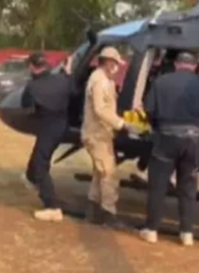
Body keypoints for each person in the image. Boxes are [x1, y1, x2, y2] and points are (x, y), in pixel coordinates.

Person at [139, 51, 199, 246]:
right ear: (194, 66)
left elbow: (149, 110)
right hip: (193, 142)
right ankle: (186, 233)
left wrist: (157, 128)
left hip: (166, 138)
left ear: (176, 64)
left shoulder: (161, 82)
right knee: (188, 187)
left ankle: (151, 230)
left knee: (158, 185)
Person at [82, 46, 138, 229]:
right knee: (108, 174)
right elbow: (100, 109)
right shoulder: (100, 81)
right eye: (116, 64)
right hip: (97, 134)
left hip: (100, 133)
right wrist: (121, 124)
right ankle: (108, 213)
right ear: (108, 62)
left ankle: (92, 211)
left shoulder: (102, 79)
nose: (118, 68)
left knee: (100, 173)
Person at [20, 51, 75, 222]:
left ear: (31, 67)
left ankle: (52, 207)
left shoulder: (32, 87)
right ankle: (31, 178)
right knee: (38, 158)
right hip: (62, 126)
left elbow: (25, 106)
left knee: (40, 164)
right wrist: (68, 72)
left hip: (47, 128)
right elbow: (74, 91)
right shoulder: (62, 80)